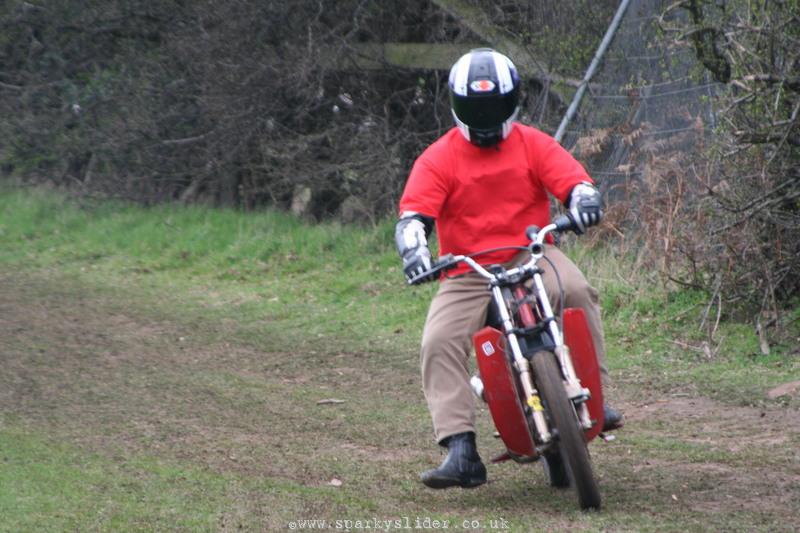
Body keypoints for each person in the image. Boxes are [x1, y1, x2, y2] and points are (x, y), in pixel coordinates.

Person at [395, 48, 623, 490]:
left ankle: (596, 396)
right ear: (457, 103)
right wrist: (415, 250)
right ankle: (460, 448)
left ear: (512, 101)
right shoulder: (438, 158)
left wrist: (584, 200)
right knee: (438, 341)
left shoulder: (532, 143)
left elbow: (574, 181)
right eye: (475, 105)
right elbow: (413, 218)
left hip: (531, 253)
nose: (484, 115)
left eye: (493, 105)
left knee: (577, 291)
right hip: (467, 269)